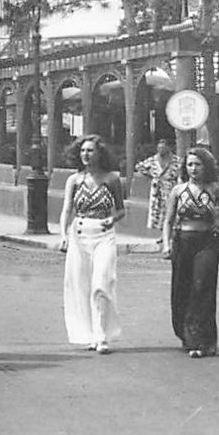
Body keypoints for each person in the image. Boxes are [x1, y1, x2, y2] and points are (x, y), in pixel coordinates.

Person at [160, 146, 219, 358]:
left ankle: (204, 341)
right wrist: (166, 244)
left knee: (203, 288)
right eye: (190, 164)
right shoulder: (178, 191)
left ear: (206, 166)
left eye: (198, 164)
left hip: (206, 243)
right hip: (182, 242)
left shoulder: (214, 190)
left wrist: (215, 224)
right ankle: (187, 336)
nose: (193, 169)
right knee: (181, 289)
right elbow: (168, 220)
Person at [59, 135, 126, 354]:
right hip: (79, 234)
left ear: (100, 153)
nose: (86, 155)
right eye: (83, 151)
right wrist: (63, 235)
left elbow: (121, 209)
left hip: (104, 235)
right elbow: (67, 209)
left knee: (101, 283)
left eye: (90, 151)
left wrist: (112, 219)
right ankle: (88, 334)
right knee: (81, 285)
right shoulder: (74, 180)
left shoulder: (112, 179)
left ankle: (102, 335)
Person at [138, 138, 177, 238]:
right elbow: (139, 166)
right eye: (159, 148)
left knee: (170, 211)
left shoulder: (175, 160)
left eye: (163, 147)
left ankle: (169, 234)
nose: (161, 150)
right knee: (158, 212)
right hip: (157, 189)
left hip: (170, 188)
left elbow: (181, 170)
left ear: (169, 148)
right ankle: (162, 235)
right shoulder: (153, 160)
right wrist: (151, 174)